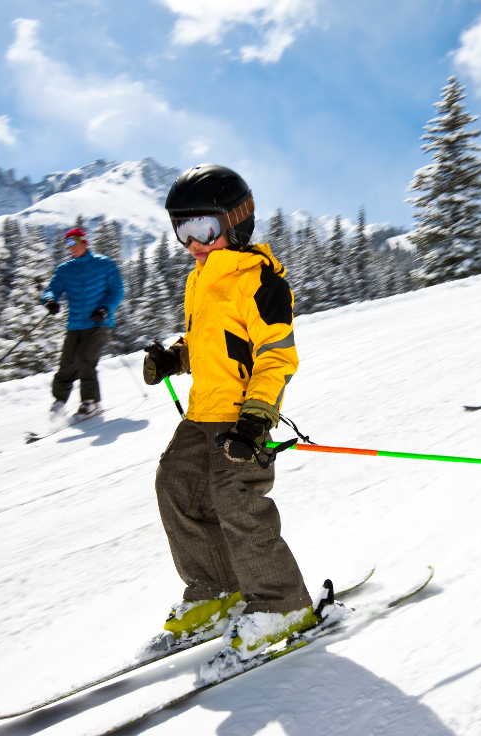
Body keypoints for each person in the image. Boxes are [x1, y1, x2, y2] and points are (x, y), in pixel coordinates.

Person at [142, 164, 316, 664]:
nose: (193, 243)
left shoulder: (260, 282)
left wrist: (256, 420)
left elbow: (276, 357)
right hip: (202, 413)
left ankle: (281, 603)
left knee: (236, 502)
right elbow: (209, 343)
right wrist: (175, 358)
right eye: (183, 231)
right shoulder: (200, 279)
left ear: (236, 223)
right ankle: (217, 589)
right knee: (176, 486)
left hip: (242, 418)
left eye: (204, 229)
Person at [40, 227, 124, 417]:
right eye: (67, 244)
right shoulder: (65, 270)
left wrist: (105, 309)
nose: (71, 247)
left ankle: (91, 401)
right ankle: (59, 401)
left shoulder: (104, 264)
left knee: (85, 359)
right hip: (75, 324)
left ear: (84, 242)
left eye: (75, 242)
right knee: (67, 363)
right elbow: (51, 290)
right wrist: (50, 301)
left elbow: (117, 290)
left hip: (99, 323)